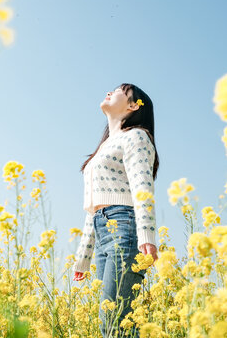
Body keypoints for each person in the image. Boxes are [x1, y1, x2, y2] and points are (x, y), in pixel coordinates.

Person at [72, 83, 160, 338]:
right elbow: (96, 206)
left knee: (115, 322)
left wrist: (147, 236)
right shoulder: (105, 146)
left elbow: (142, 187)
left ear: (133, 106)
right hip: (104, 230)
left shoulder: (137, 137)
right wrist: (83, 255)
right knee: (115, 321)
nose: (109, 92)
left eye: (119, 90)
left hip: (125, 227)